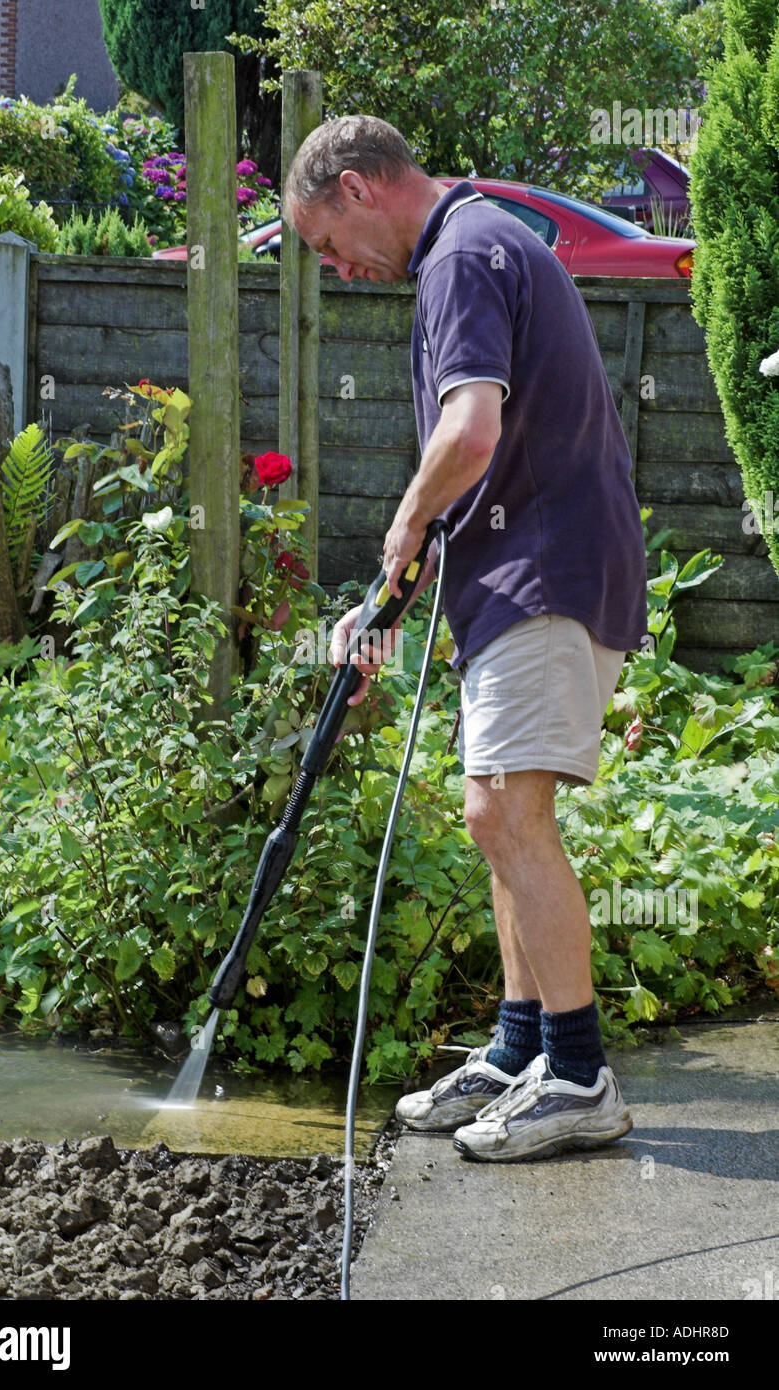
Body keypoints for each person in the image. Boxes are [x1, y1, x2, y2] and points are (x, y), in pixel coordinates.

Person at [283, 115, 647, 1162]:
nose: (337, 270)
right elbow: (474, 476)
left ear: (356, 188)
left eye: (323, 244)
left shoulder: (461, 256)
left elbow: (469, 434)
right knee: (496, 809)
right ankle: (518, 1046)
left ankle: (577, 1077)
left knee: (503, 808)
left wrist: (399, 527)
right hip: (520, 568)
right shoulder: (475, 246)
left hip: (545, 570)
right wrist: (379, 608)